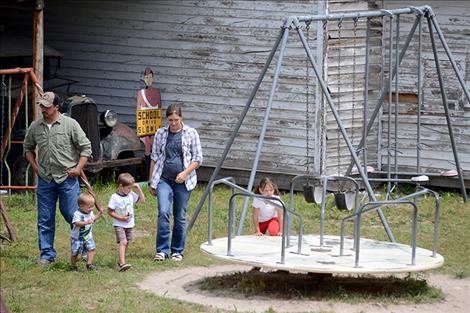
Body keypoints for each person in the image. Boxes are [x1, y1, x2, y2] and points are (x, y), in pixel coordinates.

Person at [23, 91, 92, 264]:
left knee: (73, 215)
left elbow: (86, 147)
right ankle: (47, 255)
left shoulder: (70, 124)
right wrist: (36, 168)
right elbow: (28, 149)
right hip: (46, 179)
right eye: (41, 106)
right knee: (45, 218)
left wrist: (78, 169)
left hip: (67, 179)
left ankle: (84, 248)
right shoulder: (35, 127)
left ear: (56, 107)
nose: (43, 110)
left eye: (46, 107)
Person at [148, 103, 203, 261]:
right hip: (163, 179)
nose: (173, 123)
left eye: (176, 120)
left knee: (179, 216)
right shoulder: (160, 133)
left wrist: (185, 173)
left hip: (183, 182)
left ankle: (177, 251)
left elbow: (198, 159)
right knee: (164, 212)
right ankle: (162, 250)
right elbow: (154, 157)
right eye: (170, 120)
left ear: (181, 118)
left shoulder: (191, 133)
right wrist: (152, 181)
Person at [107, 173, 145, 271]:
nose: (130, 190)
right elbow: (110, 211)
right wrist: (121, 218)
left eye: (131, 188)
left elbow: (143, 201)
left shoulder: (130, 194)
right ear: (121, 186)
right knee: (123, 242)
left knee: (127, 242)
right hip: (119, 224)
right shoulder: (114, 197)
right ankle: (122, 263)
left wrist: (138, 188)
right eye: (128, 188)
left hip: (129, 224)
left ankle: (121, 260)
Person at [70, 192, 105, 271]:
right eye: (89, 207)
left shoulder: (90, 212)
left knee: (92, 249)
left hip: (88, 236)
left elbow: (94, 218)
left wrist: (100, 213)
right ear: (81, 206)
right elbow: (76, 223)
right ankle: (73, 266)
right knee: (75, 253)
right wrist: (86, 222)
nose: (91, 208)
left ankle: (89, 264)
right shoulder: (77, 214)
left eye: (92, 206)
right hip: (77, 238)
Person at [136, 67, 161, 170]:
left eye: (150, 77)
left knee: (155, 147)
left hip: (154, 124)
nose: (148, 79)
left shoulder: (157, 92)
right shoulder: (140, 93)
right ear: (144, 79)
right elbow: (139, 110)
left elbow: (159, 108)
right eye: (146, 77)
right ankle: (148, 174)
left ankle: (155, 172)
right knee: (147, 148)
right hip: (145, 125)